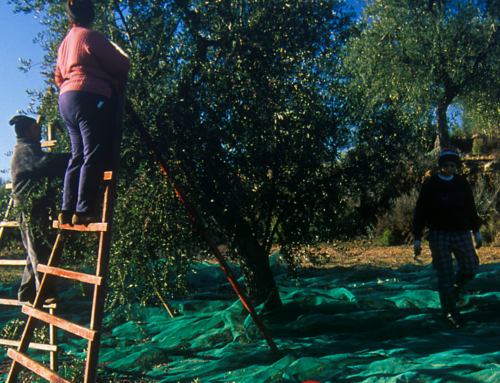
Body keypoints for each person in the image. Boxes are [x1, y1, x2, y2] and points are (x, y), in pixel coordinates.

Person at [55, 0, 130, 225]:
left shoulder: (64, 44)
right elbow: (121, 64)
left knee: (77, 154)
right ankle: (84, 209)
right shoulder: (90, 36)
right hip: (91, 99)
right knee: (93, 152)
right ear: (91, 16)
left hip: (66, 100)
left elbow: (58, 78)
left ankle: (66, 209)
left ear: (70, 18)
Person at [413, 147, 482, 328]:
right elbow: (420, 211)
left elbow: (470, 207)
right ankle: (451, 313)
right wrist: (417, 238)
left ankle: (456, 288)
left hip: (461, 232)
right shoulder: (431, 184)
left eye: (452, 165)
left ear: (456, 166)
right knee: (445, 275)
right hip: (438, 233)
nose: (449, 169)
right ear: (440, 166)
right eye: (445, 165)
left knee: (470, 268)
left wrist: (477, 231)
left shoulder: (461, 183)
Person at [9, 115, 71, 304]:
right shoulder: (24, 151)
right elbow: (44, 164)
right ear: (27, 132)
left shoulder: (29, 149)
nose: (40, 131)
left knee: (33, 250)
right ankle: (45, 293)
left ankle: (26, 293)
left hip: (34, 206)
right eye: (36, 129)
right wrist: (72, 156)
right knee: (38, 250)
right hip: (28, 208)